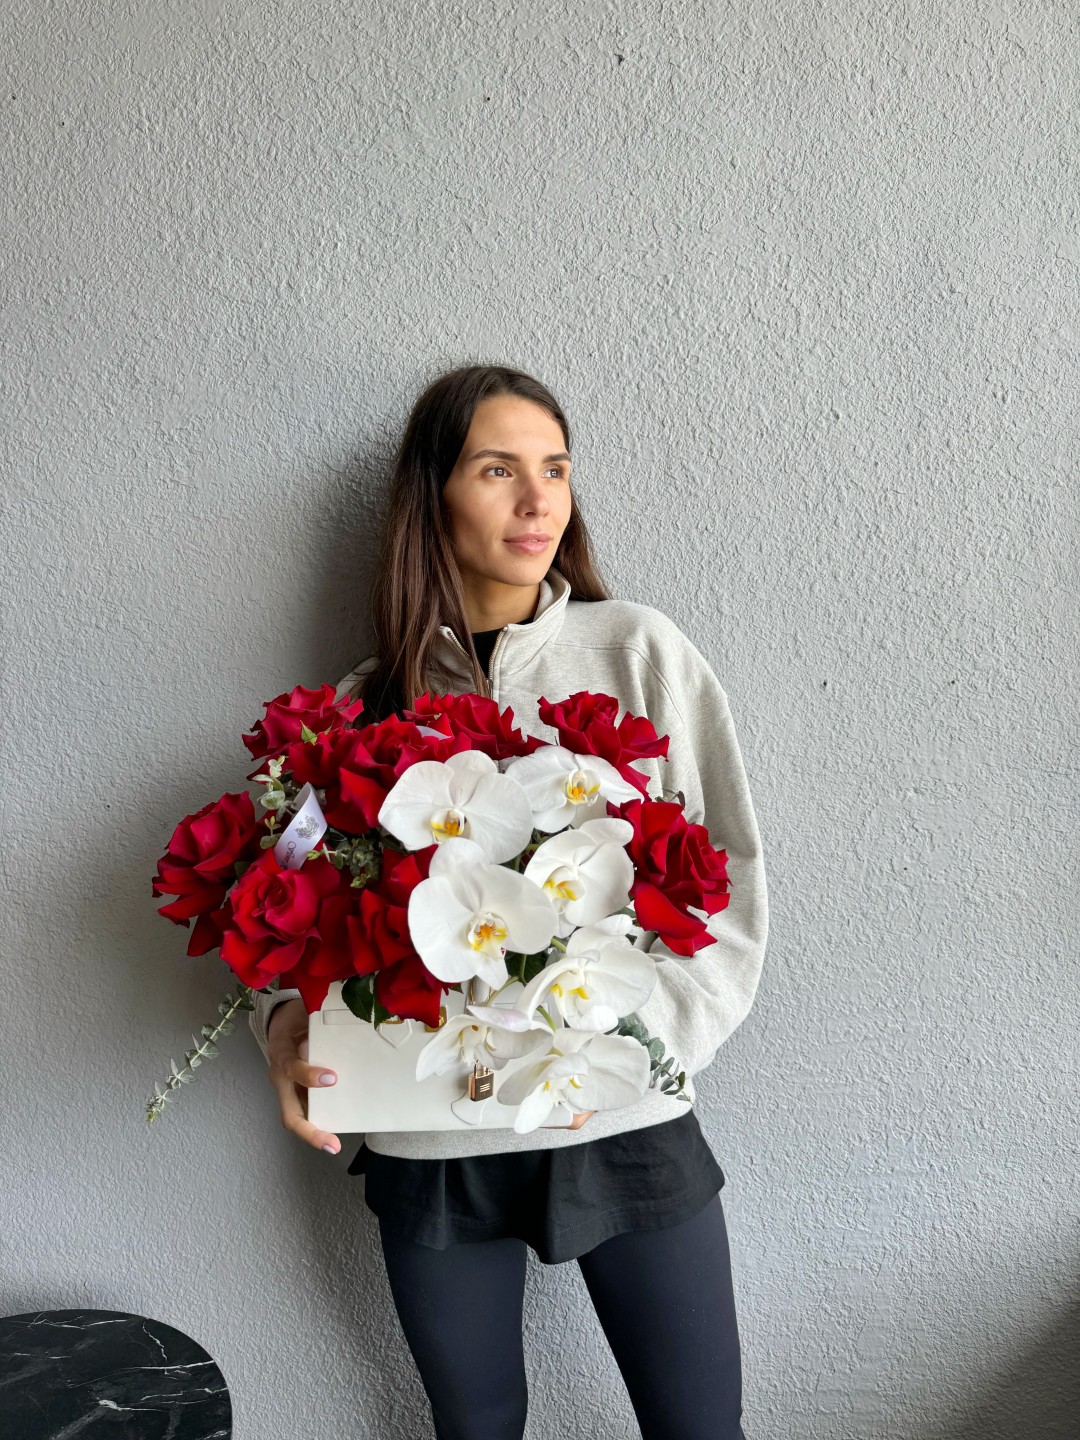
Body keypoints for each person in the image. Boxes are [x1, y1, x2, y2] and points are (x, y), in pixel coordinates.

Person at [250, 364, 770, 1440]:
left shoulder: (638, 651)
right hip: (432, 1130)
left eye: (556, 470)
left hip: (620, 1114)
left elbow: (728, 872)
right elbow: (278, 904)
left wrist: (652, 1049)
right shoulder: (359, 708)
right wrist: (284, 1025)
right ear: (433, 493)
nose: (539, 501)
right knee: (475, 1427)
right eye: (499, 470)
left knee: (700, 1425)